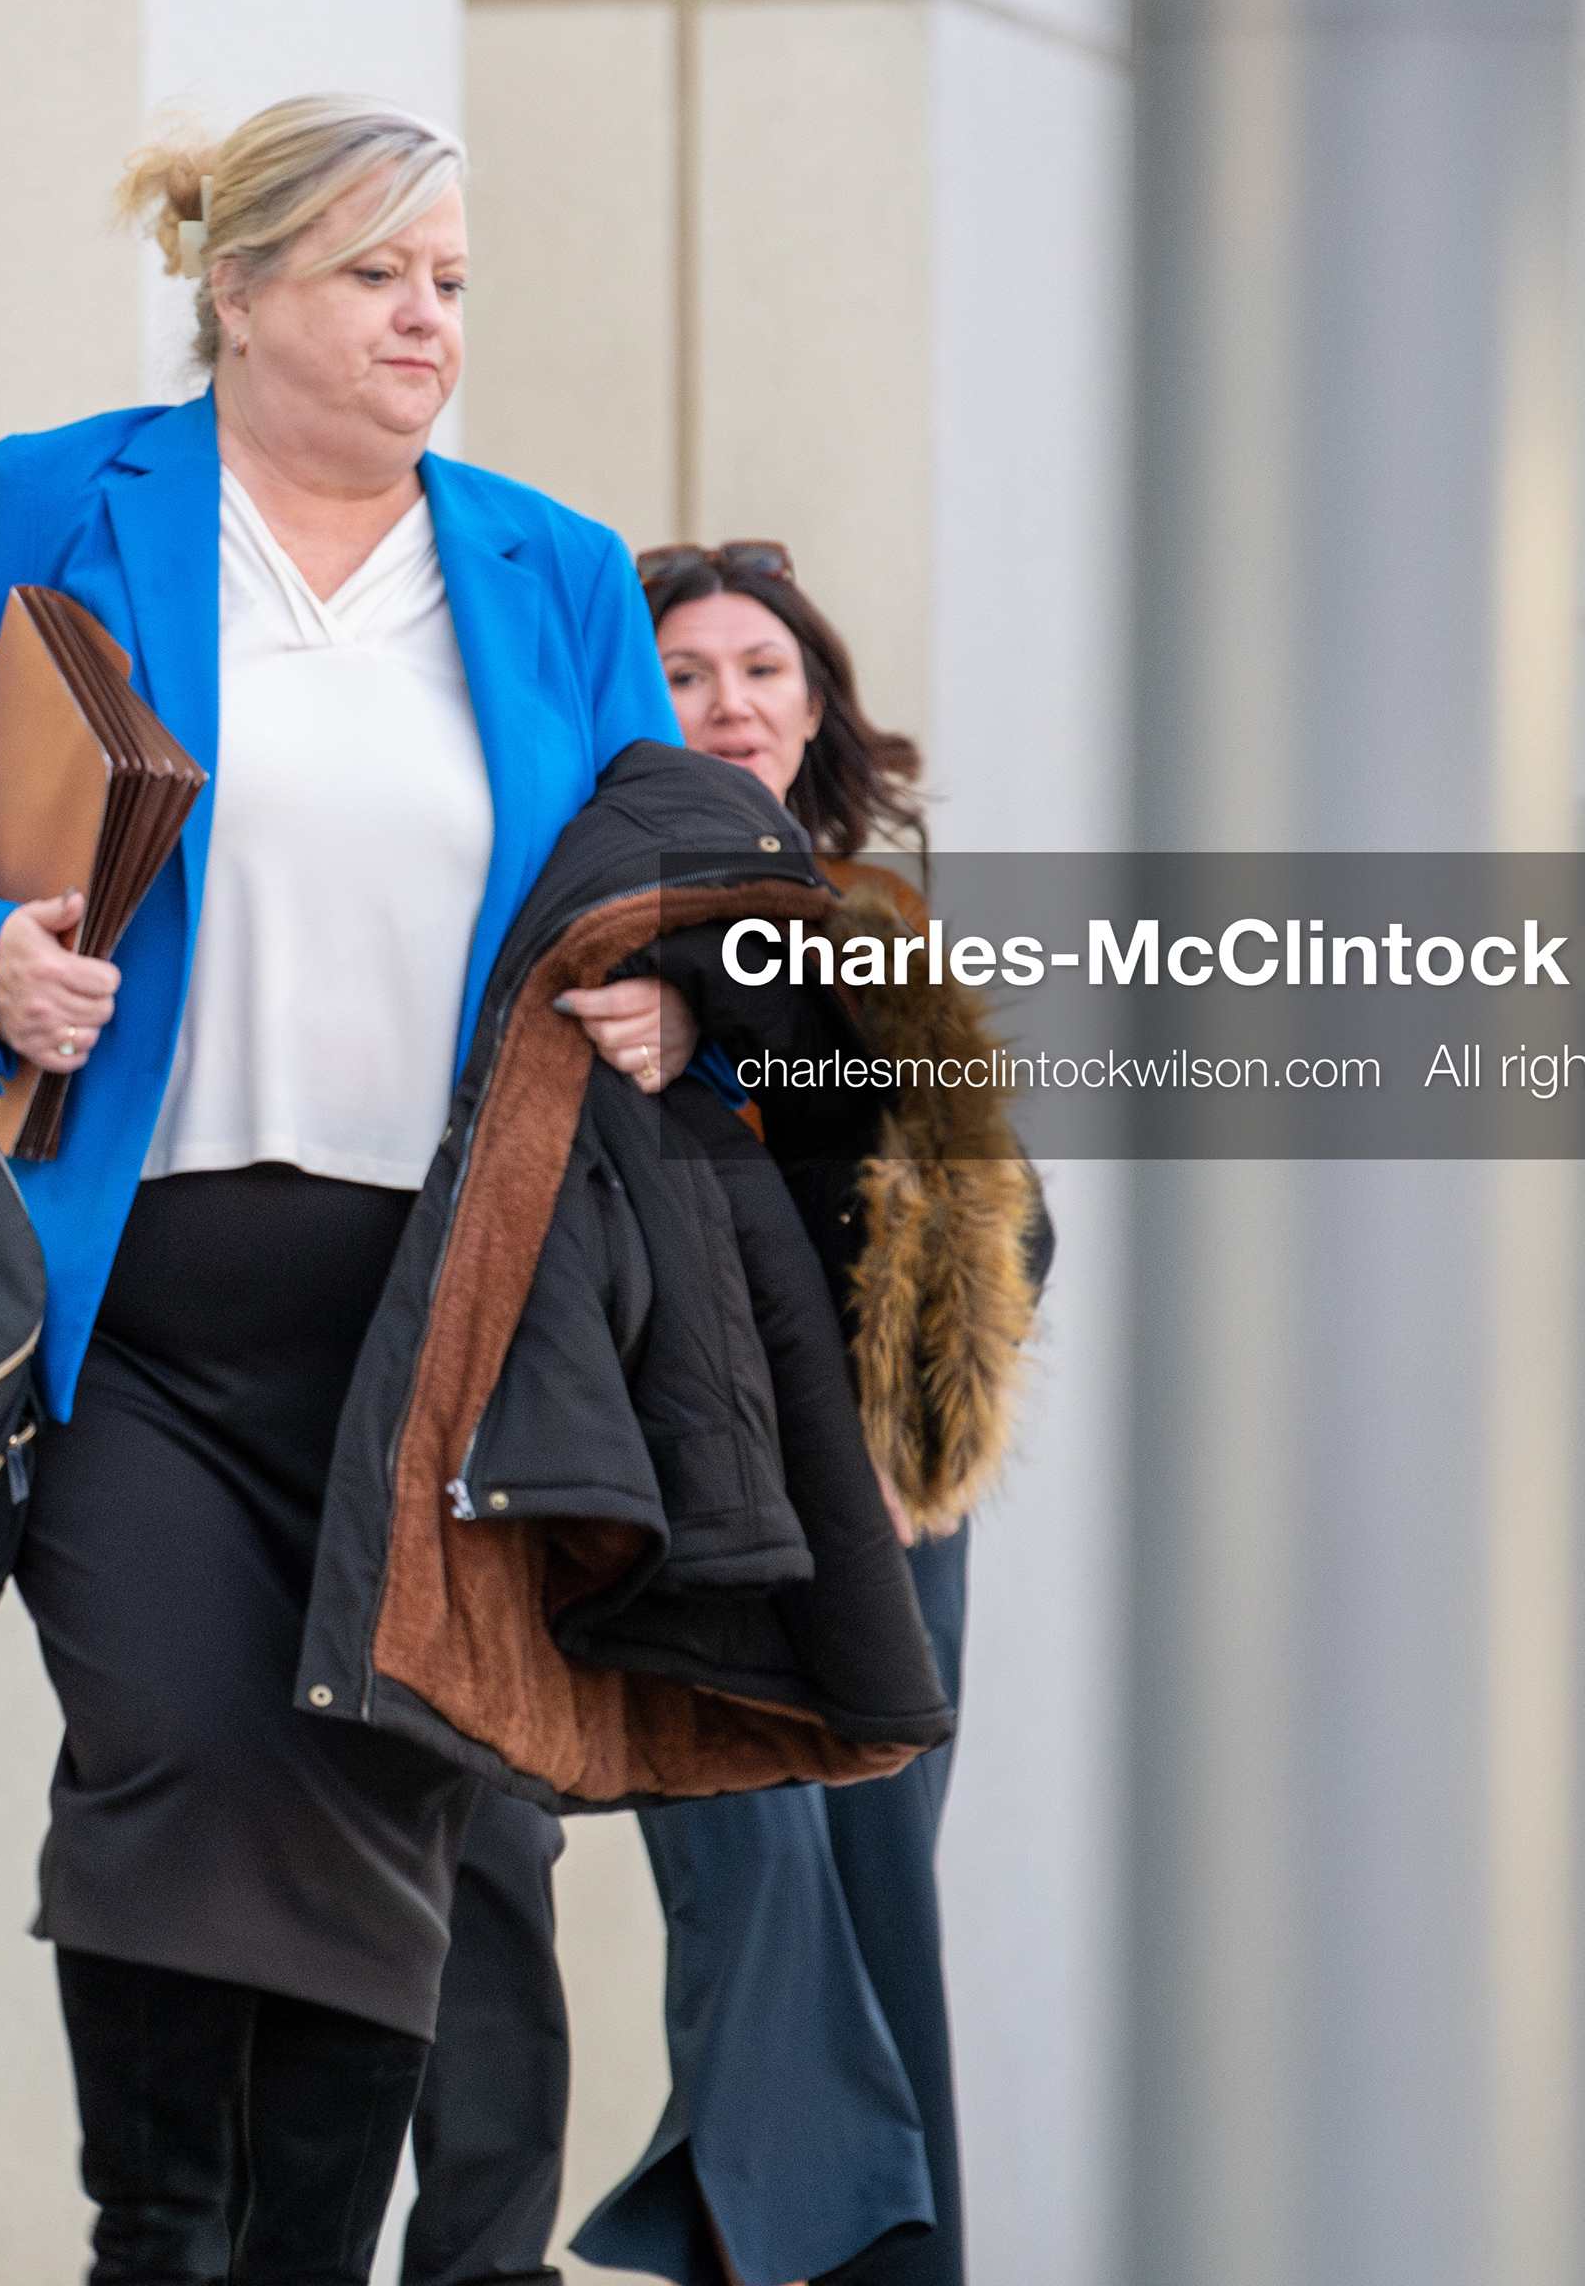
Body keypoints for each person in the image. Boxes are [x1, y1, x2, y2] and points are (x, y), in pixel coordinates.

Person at [0, 94, 696, 2285]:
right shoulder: (63, 502)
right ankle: (155, 2241)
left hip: (441, 1320)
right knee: (170, 1749)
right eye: (379, 275)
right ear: (238, 290)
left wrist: (672, 996)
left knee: (381, 1788)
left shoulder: (552, 568)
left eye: (454, 283)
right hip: (136, 1302)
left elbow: (648, 884)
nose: (427, 321)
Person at [565, 541, 1045, 2286]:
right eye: (686, 672)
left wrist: (921, 1435)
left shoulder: (875, 934)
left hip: (886, 1504)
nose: (728, 701)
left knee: (874, 1916)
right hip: (697, 1504)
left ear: (817, 705)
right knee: (758, 1912)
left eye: (761, 668)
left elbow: (1001, 1216)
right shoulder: (588, 919)